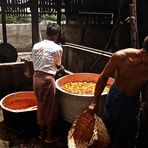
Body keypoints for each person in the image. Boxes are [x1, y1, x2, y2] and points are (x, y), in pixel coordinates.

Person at [90, 35, 148, 148]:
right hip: (115, 97)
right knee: (107, 130)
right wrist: (95, 102)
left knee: (128, 134)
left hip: (133, 101)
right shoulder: (121, 57)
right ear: (143, 53)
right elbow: (103, 77)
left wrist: (145, 102)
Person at [32, 22, 63, 143]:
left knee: (40, 105)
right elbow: (58, 64)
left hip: (36, 78)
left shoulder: (36, 46)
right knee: (50, 108)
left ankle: (41, 134)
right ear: (57, 35)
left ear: (46, 33)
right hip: (47, 80)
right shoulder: (57, 48)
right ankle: (49, 137)